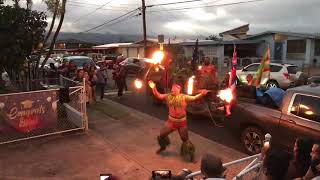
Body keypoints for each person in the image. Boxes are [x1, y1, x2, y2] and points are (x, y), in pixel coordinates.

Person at [148, 80, 208, 161]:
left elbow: (194, 98)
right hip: (171, 122)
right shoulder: (168, 96)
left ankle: (191, 155)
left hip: (181, 123)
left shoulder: (184, 97)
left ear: (179, 89)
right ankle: (163, 147)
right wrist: (153, 87)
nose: (172, 89)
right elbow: (158, 95)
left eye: (175, 88)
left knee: (185, 140)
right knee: (162, 135)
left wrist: (202, 94)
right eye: (172, 88)